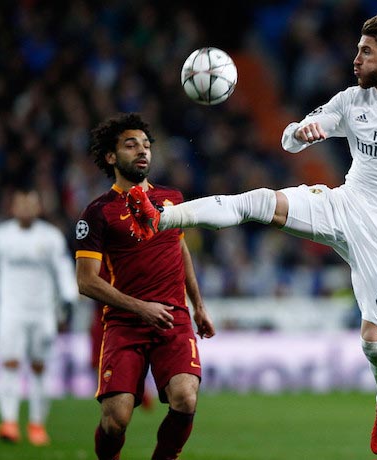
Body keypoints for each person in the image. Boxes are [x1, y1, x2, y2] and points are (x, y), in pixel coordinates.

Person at [127, 14, 377, 455]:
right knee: (259, 201)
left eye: (365, 52)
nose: (355, 59)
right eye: (357, 49)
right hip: (343, 206)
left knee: (374, 347)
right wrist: (302, 132)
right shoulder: (352, 102)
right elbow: (287, 140)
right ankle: (160, 218)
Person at [75, 113, 215, 460]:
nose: (142, 151)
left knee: (186, 397)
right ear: (111, 157)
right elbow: (86, 280)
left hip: (173, 317)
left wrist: (198, 305)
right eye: (131, 144)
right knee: (116, 420)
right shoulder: (97, 212)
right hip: (125, 323)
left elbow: (179, 248)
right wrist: (140, 307)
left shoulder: (172, 198)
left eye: (147, 145)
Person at [0, 187, 78, 446]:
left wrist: (68, 297)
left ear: (38, 207)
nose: (26, 209)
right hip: (11, 311)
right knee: (10, 364)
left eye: (31, 204)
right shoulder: (1, 237)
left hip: (42, 312)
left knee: (38, 368)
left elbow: (63, 269)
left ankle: (36, 424)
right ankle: (9, 422)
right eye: (21, 204)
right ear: (13, 207)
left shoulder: (51, 237)